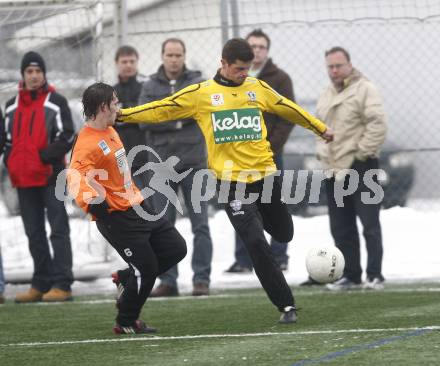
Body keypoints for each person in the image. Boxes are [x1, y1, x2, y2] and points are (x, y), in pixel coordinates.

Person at [118, 38, 333, 323]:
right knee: (256, 241)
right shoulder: (202, 93)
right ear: (224, 64)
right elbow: (163, 108)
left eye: (248, 69)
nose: (245, 74)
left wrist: (320, 128)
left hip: (266, 178)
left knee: (283, 233)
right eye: (239, 69)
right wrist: (123, 115)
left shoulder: (256, 88)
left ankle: (269, 223)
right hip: (232, 184)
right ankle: (286, 305)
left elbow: (287, 108)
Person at [68, 82, 187, 334]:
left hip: (138, 205)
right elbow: (76, 176)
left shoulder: (110, 130)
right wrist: (93, 202)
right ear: (103, 107)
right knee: (147, 270)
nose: (118, 107)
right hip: (117, 218)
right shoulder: (87, 142)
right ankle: (126, 321)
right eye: (115, 103)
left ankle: (126, 279)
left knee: (176, 248)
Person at [138, 38, 213, 297]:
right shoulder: (149, 85)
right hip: (161, 165)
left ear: (184, 56)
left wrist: (165, 117)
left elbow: (201, 116)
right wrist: (180, 120)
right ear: (162, 56)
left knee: (200, 224)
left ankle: (201, 279)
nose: (174, 59)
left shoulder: (197, 84)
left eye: (178, 54)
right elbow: (145, 120)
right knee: (162, 226)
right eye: (169, 54)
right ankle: (168, 281)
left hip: (194, 163)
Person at [2, 51, 74, 303]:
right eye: (29, 71)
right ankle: (40, 282)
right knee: (33, 232)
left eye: (38, 71)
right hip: (23, 180)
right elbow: (7, 141)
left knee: (58, 230)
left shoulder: (56, 102)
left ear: (44, 74)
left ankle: (63, 283)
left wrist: (42, 158)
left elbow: (66, 136)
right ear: (23, 75)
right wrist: (12, 161)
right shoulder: (10, 106)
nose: (34, 76)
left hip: (51, 177)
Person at [314, 46, 387, 290]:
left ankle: (375, 275)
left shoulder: (366, 88)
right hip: (333, 170)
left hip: (361, 166)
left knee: (369, 224)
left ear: (349, 65)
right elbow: (319, 127)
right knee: (340, 226)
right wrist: (322, 154)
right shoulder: (325, 93)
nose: (334, 71)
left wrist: (361, 153)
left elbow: (378, 124)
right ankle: (351, 275)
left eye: (338, 65)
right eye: (330, 67)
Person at [225, 29, 295, 273]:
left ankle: (279, 256)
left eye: (261, 46)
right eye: (252, 46)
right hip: (238, 159)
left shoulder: (280, 79)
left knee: (274, 205)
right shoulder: (232, 81)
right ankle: (244, 259)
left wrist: (270, 147)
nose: (257, 50)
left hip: (269, 156)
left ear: (267, 50)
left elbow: (288, 117)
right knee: (241, 206)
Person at [113, 45, 146, 176]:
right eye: (124, 62)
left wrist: (122, 112)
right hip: (121, 155)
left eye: (132, 61)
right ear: (117, 63)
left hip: (145, 154)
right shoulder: (111, 91)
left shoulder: (146, 88)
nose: (128, 65)